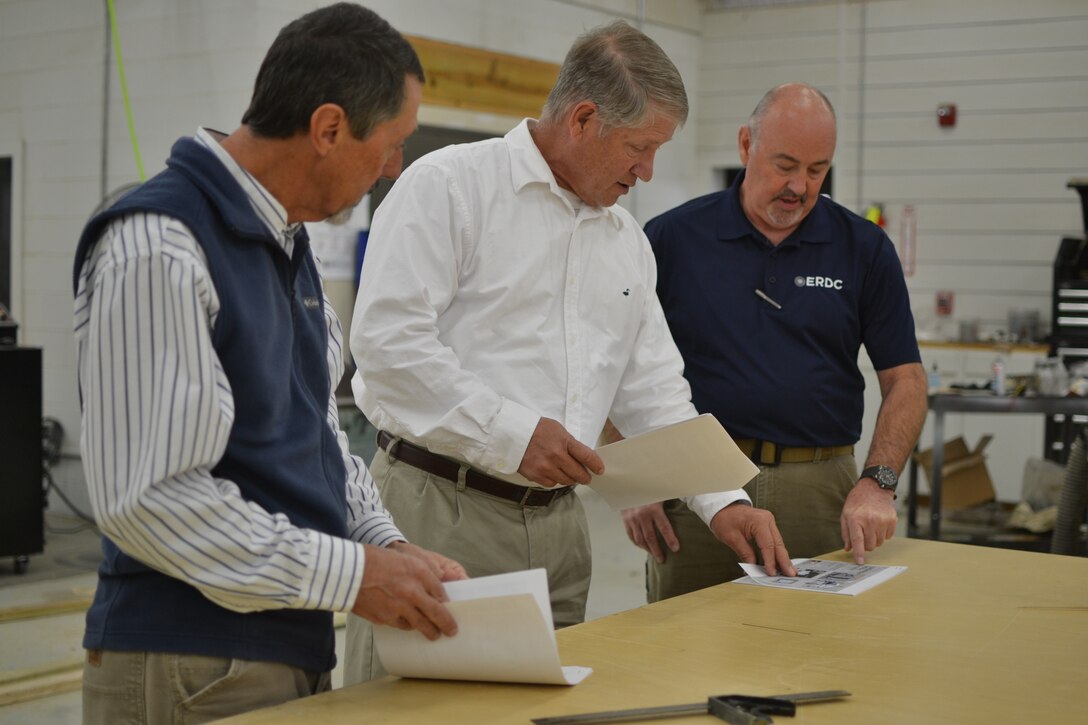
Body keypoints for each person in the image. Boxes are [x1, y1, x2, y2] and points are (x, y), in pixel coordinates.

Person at [344, 20, 796, 685]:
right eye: (639, 149)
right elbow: (387, 348)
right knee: (411, 707)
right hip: (440, 511)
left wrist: (723, 500)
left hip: (560, 528)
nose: (645, 173)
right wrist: (514, 434)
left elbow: (654, 394)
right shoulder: (448, 188)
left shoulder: (624, 241)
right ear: (583, 118)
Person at [71, 5, 467, 723]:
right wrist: (353, 575)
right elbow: (150, 499)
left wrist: (388, 547)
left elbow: (315, 441)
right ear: (327, 128)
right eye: (391, 143)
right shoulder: (161, 244)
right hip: (188, 658)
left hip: (284, 639)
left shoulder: (288, 241)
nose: (393, 168)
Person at [621, 83, 928, 603]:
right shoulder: (672, 239)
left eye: (816, 170)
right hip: (697, 484)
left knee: (812, 649)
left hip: (818, 489)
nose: (799, 187)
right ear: (746, 145)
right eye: (784, 165)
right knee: (681, 651)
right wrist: (636, 480)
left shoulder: (864, 249)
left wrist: (877, 482)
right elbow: (618, 363)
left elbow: (906, 380)